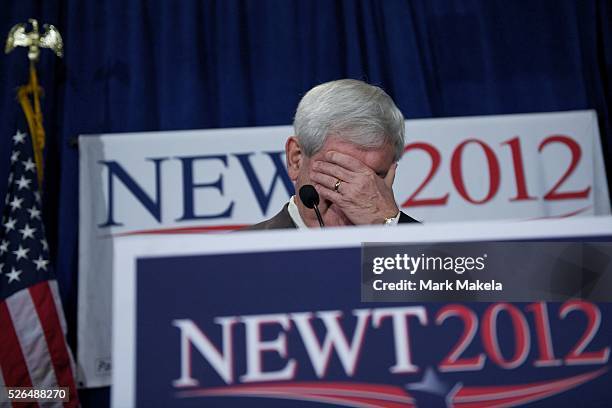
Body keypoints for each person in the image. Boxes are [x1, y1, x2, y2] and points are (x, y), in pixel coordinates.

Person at [246, 79, 418, 230]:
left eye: (373, 178)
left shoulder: (434, 253)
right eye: (339, 174)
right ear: (296, 159)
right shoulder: (237, 257)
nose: (356, 193)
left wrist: (388, 225)